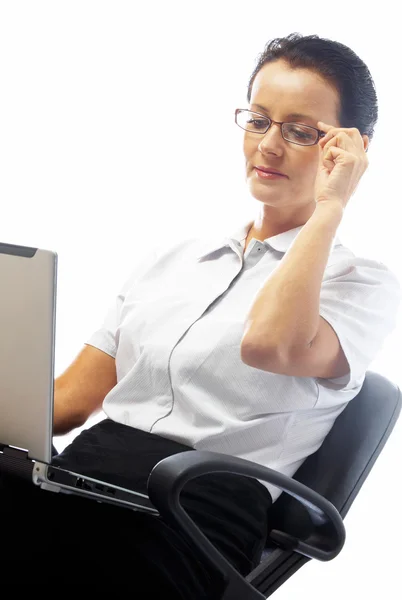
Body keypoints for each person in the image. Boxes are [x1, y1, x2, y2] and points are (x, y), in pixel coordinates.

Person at [1, 32, 400, 598]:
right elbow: (65, 408)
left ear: (350, 148)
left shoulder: (361, 284)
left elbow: (268, 344)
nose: (269, 145)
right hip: (79, 481)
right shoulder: (174, 260)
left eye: (301, 131)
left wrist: (331, 206)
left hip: (190, 516)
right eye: (259, 120)